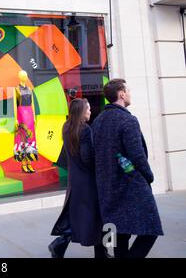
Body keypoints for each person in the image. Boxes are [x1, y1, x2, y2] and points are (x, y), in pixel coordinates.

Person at [91, 78, 163, 258]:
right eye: (128, 90)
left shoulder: (98, 121)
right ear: (121, 94)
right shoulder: (128, 120)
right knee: (150, 229)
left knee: (119, 234)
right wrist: (149, 176)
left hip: (107, 187)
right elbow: (137, 156)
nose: (130, 94)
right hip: (130, 185)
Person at [49, 98, 107, 258]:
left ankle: (59, 245)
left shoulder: (66, 127)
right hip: (88, 181)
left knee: (78, 216)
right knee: (97, 218)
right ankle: (102, 252)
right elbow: (87, 158)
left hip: (75, 180)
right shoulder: (85, 130)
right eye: (88, 109)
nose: (90, 111)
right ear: (81, 111)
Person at [13, 70, 38, 173]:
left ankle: (29, 163)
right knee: (23, 139)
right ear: (19, 77)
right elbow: (14, 105)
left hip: (29, 114)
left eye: (26, 75)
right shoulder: (16, 89)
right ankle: (23, 164)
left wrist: (34, 116)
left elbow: (32, 104)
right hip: (21, 114)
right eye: (24, 75)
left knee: (31, 139)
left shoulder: (30, 89)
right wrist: (15, 118)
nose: (25, 77)